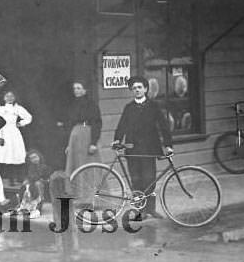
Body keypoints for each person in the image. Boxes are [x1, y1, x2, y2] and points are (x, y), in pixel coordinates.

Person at [112, 76, 174, 220]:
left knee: (150, 179)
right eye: (134, 88)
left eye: (139, 87)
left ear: (145, 89)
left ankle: (151, 209)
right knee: (136, 180)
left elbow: (163, 126)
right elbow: (122, 125)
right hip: (132, 149)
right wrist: (117, 140)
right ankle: (140, 210)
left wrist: (168, 145)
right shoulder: (129, 108)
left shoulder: (154, 106)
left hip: (149, 149)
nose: (137, 90)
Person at [58, 80, 102, 175]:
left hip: (87, 135)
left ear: (85, 90)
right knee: (76, 163)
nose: (76, 91)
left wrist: (93, 143)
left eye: (79, 88)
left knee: (89, 162)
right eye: (74, 88)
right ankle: (78, 189)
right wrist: (69, 144)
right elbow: (70, 123)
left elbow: (96, 123)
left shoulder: (91, 104)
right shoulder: (72, 105)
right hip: (75, 135)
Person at [0, 89, 33, 185]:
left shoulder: (17, 108)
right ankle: (4, 179)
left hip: (13, 133)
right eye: (7, 96)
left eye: (11, 96)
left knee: (14, 154)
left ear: (15, 97)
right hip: (2, 131)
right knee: (3, 155)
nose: (9, 98)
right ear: (3, 98)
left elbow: (29, 117)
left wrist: (20, 123)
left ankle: (15, 179)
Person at [12, 148, 52, 217]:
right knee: (24, 186)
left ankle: (38, 206)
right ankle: (22, 205)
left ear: (39, 156)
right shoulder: (30, 168)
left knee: (38, 184)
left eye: (35, 157)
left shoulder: (44, 167)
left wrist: (37, 180)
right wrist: (26, 180)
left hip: (41, 184)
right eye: (32, 158)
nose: (34, 159)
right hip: (32, 183)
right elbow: (28, 176)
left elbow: (46, 178)